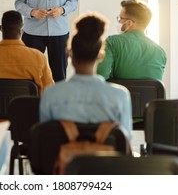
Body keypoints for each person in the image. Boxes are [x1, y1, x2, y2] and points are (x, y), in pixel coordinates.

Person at [40, 12, 132, 140]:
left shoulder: (50, 95)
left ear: (69, 53)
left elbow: (45, 141)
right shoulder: (119, 96)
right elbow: (125, 142)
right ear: (100, 56)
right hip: (105, 160)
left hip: (64, 159)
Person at [0, 10, 54, 94]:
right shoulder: (39, 58)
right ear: (21, 31)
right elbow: (50, 93)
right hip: (28, 107)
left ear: (1, 28)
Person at [97, 0, 167, 80]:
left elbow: (100, 78)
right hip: (148, 93)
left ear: (129, 23)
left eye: (120, 19)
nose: (119, 22)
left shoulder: (112, 42)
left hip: (121, 92)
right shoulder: (161, 52)